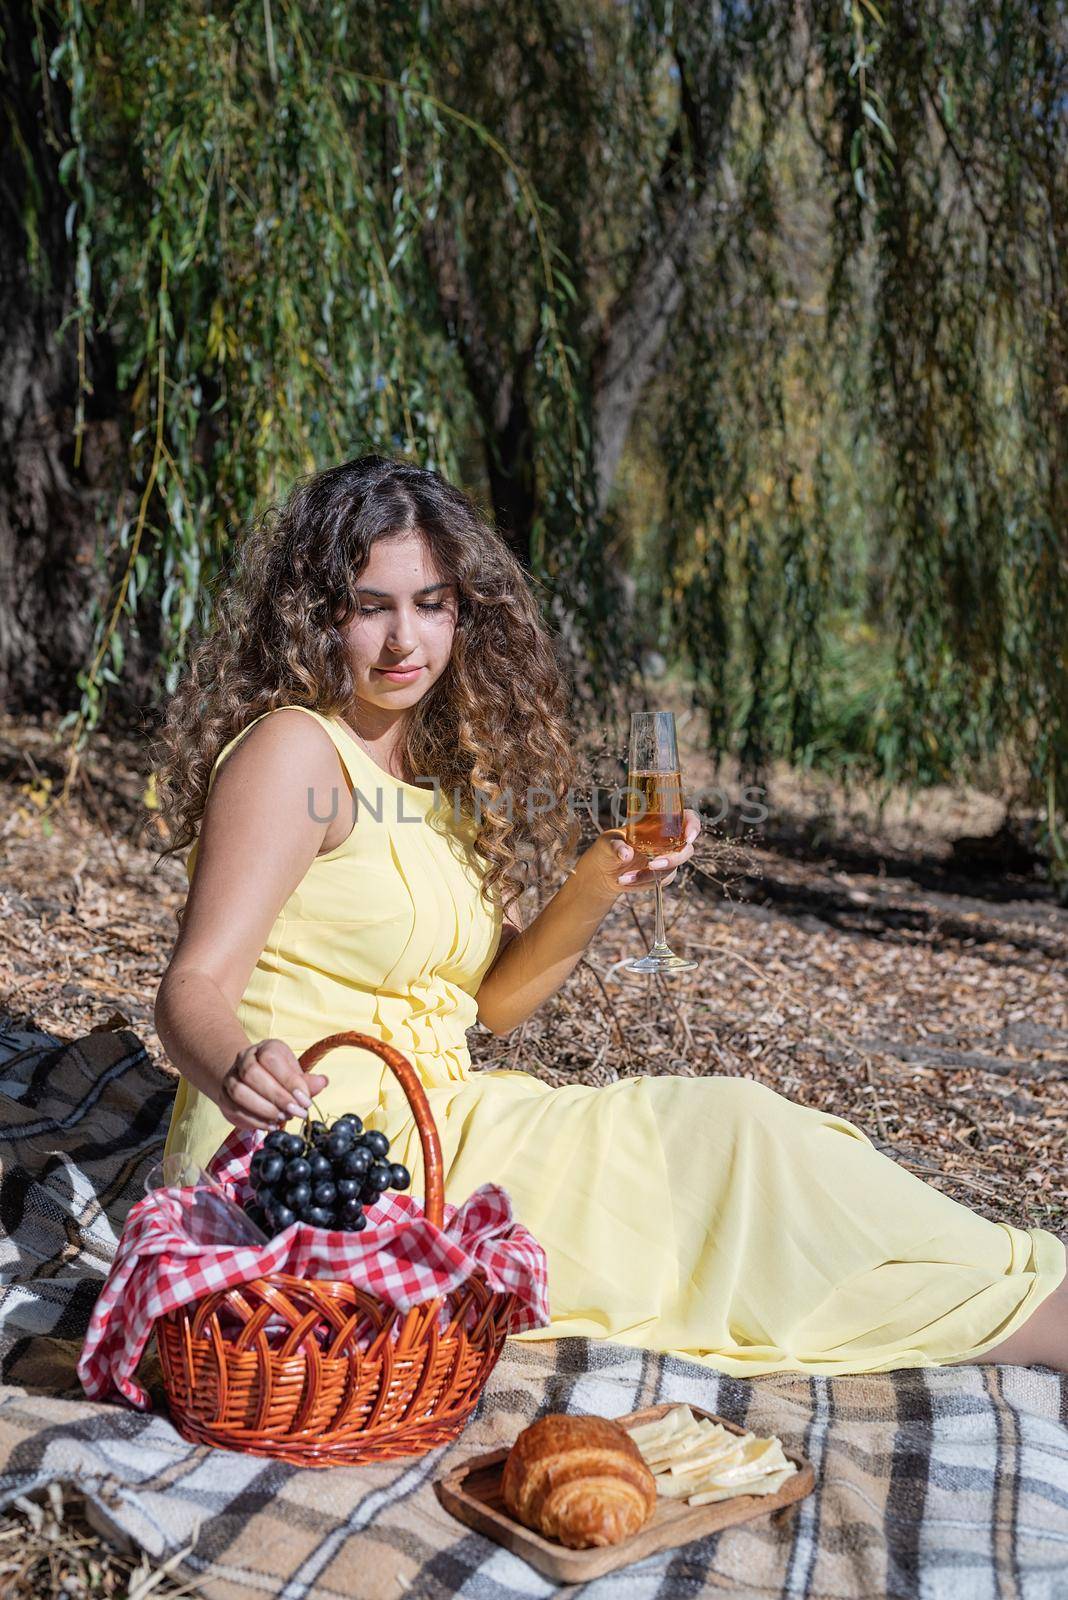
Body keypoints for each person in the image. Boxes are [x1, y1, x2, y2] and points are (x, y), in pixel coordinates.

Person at [154, 456, 1067, 1377]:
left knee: (739, 1136)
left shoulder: (429, 782)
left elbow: (493, 1005)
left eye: (431, 604)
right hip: (328, 1160)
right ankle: (1029, 1310)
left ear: (464, 611)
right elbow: (192, 985)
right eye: (369, 606)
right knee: (730, 1155)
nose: (405, 639)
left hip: (444, 1121)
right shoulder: (293, 754)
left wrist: (599, 879)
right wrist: (237, 1065)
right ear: (319, 614)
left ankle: (1022, 1283)